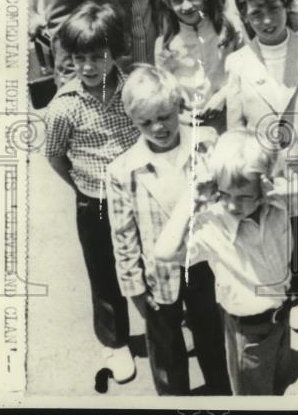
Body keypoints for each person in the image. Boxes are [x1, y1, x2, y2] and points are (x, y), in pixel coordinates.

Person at [155, 132, 298, 395]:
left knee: (278, 383)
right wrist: (191, 198)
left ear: (263, 188)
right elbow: (164, 252)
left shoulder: (279, 204)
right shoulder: (214, 224)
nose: (233, 204)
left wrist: (283, 188)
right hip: (246, 331)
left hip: (280, 317)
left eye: (244, 196)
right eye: (225, 194)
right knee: (253, 396)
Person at [107, 66, 230, 395]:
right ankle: (174, 398)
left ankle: (222, 392)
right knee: (165, 345)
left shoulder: (205, 144)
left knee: (212, 334)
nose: (158, 128)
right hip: (158, 274)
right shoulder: (122, 170)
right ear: (133, 121)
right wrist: (133, 288)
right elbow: (123, 237)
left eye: (164, 116)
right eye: (145, 122)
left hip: (205, 264)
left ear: (179, 105)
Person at [225, 0, 298, 332]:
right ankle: (284, 293)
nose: (267, 21)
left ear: (288, 6)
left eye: (274, 9)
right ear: (245, 17)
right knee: (271, 230)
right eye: (256, 14)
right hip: (263, 168)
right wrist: (239, 173)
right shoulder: (237, 62)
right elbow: (235, 128)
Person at [43, 2, 140, 385]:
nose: (87, 66)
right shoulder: (63, 107)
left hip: (138, 197)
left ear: (113, 52)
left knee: (148, 260)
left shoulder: (134, 90)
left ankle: (164, 320)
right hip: (94, 201)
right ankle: (115, 341)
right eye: (78, 57)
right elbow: (54, 156)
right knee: (103, 272)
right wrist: (83, 189)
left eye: (97, 57)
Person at [154, 0, 240, 132]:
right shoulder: (165, 45)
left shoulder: (229, 29)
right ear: (168, 3)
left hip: (229, 114)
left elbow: (244, 73)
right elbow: (166, 89)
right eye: (178, 0)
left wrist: (223, 96)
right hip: (190, 125)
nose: (186, 6)